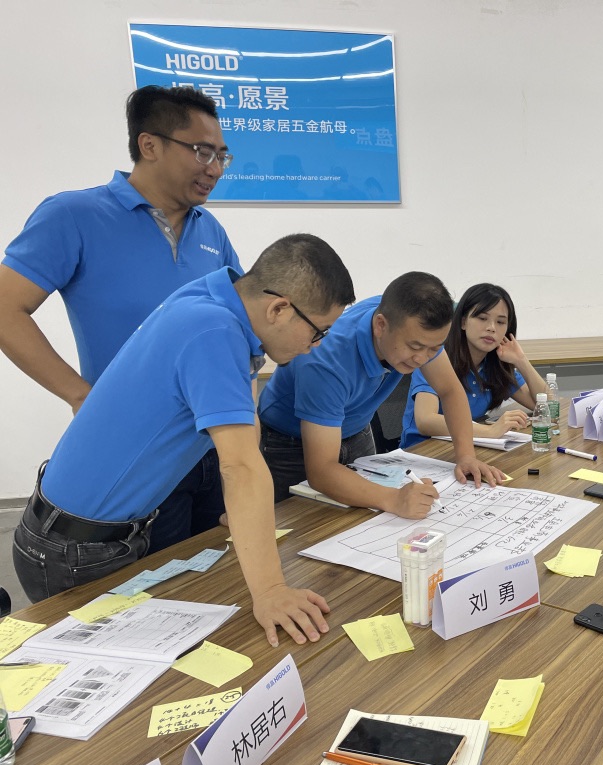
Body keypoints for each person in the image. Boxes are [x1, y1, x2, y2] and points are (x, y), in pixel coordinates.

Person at [12, 234, 354, 647]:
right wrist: (270, 591)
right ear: (279, 309)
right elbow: (240, 466)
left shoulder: (214, 298)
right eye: (318, 332)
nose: (314, 347)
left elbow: (245, 430)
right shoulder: (214, 331)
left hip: (91, 531)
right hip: (74, 550)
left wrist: (247, 513)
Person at [0, 86, 241, 555]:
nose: (214, 168)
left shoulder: (210, 231)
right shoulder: (74, 215)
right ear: (149, 145)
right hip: (141, 453)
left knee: (220, 572)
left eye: (221, 156)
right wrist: (79, 394)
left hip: (212, 447)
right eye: (202, 152)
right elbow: (6, 308)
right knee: (159, 582)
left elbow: (237, 321)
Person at [258, 271, 504, 515]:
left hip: (356, 431)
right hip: (291, 444)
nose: (422, 359)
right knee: (307, 525)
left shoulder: (414, 325)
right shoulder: (326, 361)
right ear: (380, 326)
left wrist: (466, 455)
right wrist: (395, 499)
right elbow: (322, 471)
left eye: (434, 349)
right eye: (415, 347)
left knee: (369, 521)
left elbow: (449, 390)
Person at [400, 283, 546, 449]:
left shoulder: (494, 366)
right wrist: (490, 431)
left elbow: (546, 408)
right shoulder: (435, 358)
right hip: (423, 451)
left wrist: (521, 360)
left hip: (467, 447)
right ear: (463, 322)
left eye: (500, 322)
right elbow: (426, 421)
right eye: (482, 318)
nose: (491, 328)